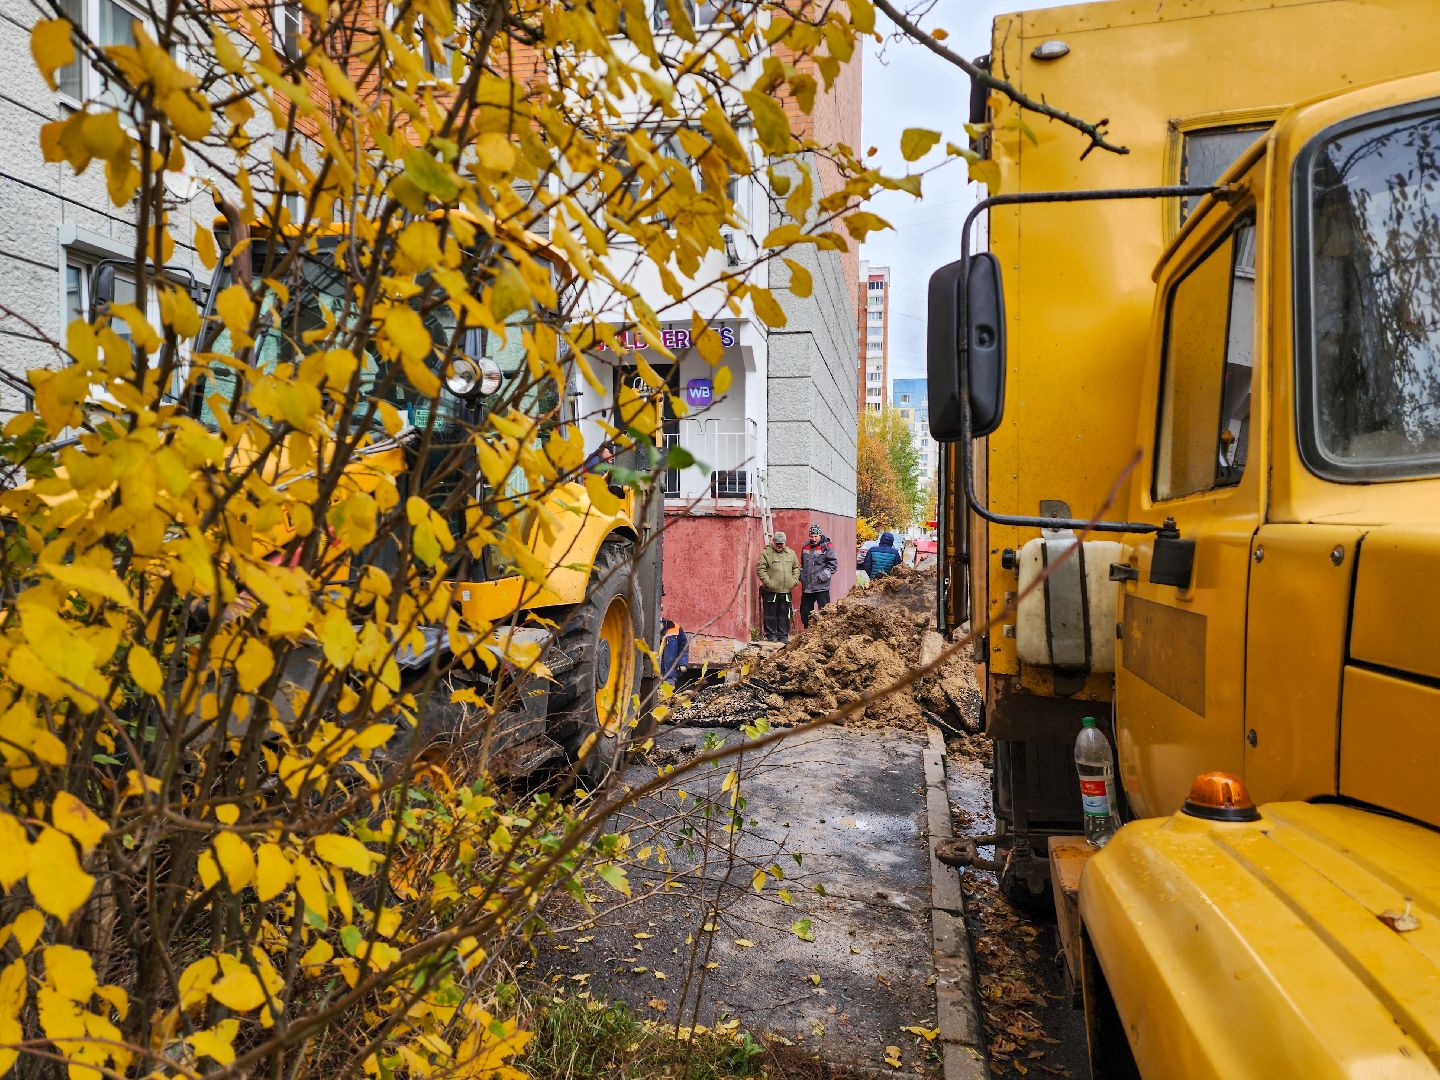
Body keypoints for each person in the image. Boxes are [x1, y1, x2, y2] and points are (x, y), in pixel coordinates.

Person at [756, 531, 800, 643]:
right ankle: (771, 635)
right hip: (771, 590)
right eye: (777, 543)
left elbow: (796, 567)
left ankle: (783, 635)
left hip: (786, 590)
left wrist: (794, 581)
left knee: (785, 614)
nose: (780, 545)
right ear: (773, 542)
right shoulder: (766, 553)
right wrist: (768, 583)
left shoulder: (791, 554)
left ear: (785, 542)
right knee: (770, 614)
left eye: (782, 543)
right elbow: (760, 569)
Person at [799, 524, 838, 627]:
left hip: (821, 587)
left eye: (816, 536)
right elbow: (802, 564)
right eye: (811, 536)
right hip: (807, 587)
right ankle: (808, 632)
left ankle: (823, 633)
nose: (814, 539)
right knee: (805, 612)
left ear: (820, 535)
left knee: (825, 612)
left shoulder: (827, 547)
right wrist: (801, 575)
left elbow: (833, 566)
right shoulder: (805, 546)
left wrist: (822, 577)